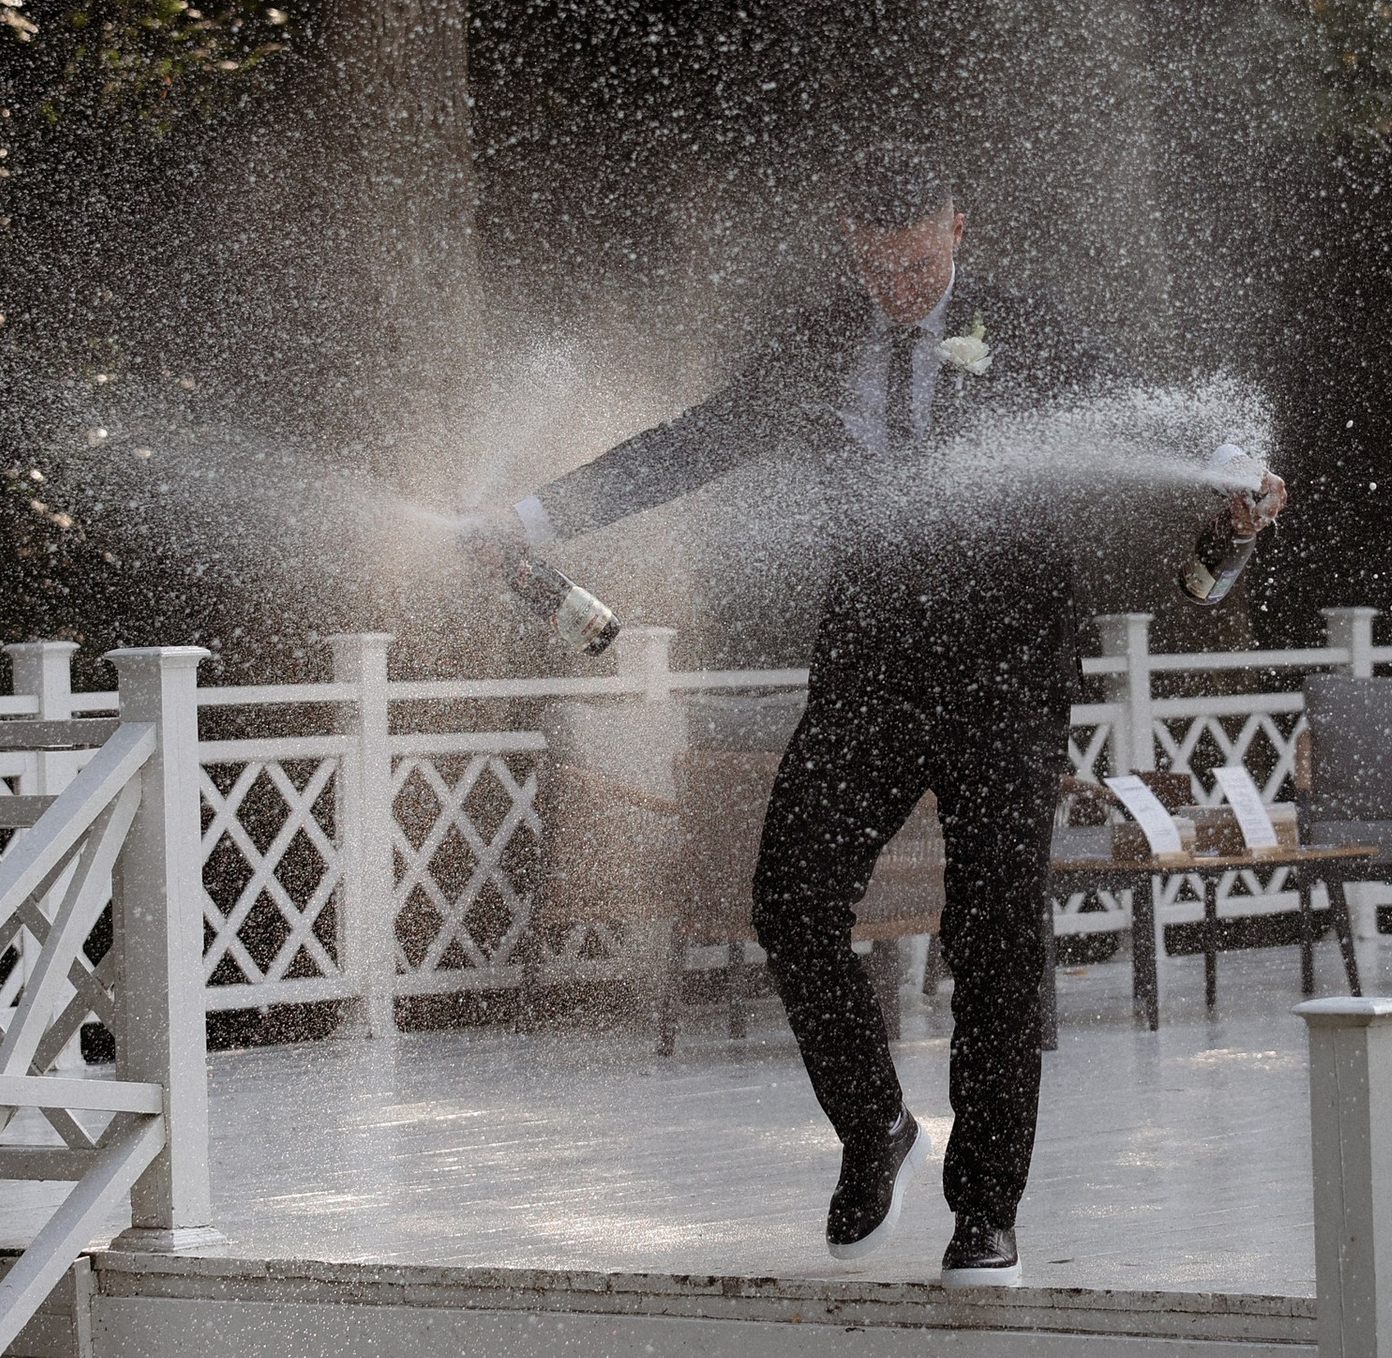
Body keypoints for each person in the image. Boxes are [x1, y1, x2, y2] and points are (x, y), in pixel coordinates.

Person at [486, 146, 1281, 1281]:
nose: (898, 288)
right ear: (849, 247)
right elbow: (688, 445)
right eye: (875, 265)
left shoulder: (1027, 323)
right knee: (790, 899)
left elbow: (1135, 414)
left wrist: (1234, 473)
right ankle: (876, 1127)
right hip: (869, 665)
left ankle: (985, 1208)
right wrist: (534, 513)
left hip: (1007, 667)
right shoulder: (816, 343)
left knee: (995, 930)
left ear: (957, 229)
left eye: (915, 263)